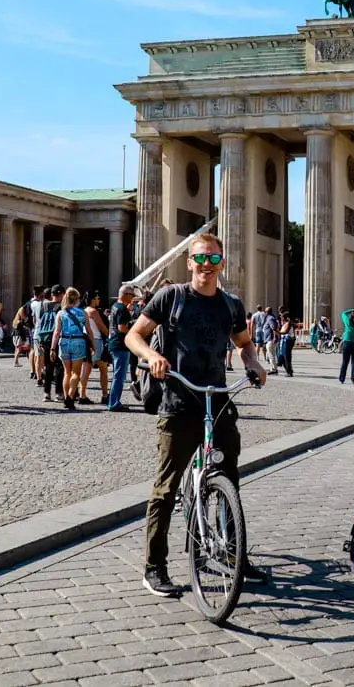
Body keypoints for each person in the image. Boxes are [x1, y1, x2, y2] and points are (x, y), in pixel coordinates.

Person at [125, 234, 267, 597]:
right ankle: (153, 567)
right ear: (189, 263)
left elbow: (244, 343)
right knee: (166, 488)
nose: (206, 264)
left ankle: (235, 555)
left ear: (222, 263)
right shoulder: (171, 298)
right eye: (200, 258)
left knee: (229, 478)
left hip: (217, 399)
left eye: (213, 258)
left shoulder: (231, 304)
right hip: (178, 398)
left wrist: (254, 364)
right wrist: (153, 357)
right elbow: (133, 336)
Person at [50, 287, 91, 411]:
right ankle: (70, 397)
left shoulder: (61, 313)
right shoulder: (83, 312)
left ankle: (65, 396)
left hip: (64, 341)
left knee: (66, 373)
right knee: (76, 373)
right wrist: (93, 345)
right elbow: (89, 331)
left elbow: (56, 332)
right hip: (78, 341)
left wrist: (52, 348)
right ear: (77, 299)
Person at [78, 291, 110, 405]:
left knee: (87, 368)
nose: (98, 300)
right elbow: (101, 327)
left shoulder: (83, 311)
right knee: (100, 368)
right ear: (92, 299)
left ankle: (82, 394)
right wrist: (110, 335)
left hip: (85, 340)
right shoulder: (93, 311)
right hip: (95, 340)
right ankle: (104, 395)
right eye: (97, 298)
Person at [107, 285, 135, 412]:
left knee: (117, 374)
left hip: (114, 342)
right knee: (119, 375)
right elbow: (122, 327)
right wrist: (133, 332)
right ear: (125, 294)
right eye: (132, 295)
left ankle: (113, 401)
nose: (133, 297)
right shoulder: (122, 309)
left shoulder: (115, 306)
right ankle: (114, 402)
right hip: (121, 344)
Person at [36, 286, 65, 402]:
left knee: (48, 366)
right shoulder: (61, 307)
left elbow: (38, 321)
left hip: (45, 337)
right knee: (59, 366)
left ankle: (46, 393)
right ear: (62, 294)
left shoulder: (43, 305)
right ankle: (59, 393)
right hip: (57, 337)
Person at [276, 308, 295, 377]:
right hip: (284, 341)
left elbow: (285, 332)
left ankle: (289, 372)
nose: (281, 318)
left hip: (287, 341)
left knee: (286, 357)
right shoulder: (286, 323)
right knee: (283, 356)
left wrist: (277, 331)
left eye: (282, 317)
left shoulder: (289, 324)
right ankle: (288, 370)